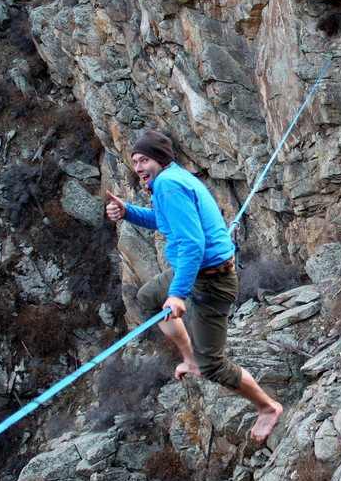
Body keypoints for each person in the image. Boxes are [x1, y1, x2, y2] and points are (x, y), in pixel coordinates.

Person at [105, 130, 282, 442]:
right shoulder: (168, 180)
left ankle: (267, 407)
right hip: (201, 272)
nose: (138, 167)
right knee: (147, 298)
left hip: (212, 280)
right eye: (134, 162)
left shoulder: (170, 185)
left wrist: (177, 294)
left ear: (160, 159)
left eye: (144, 159)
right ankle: (190, 358)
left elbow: (192, 244)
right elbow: (164, 221)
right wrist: (127, 211)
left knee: (214, 365)